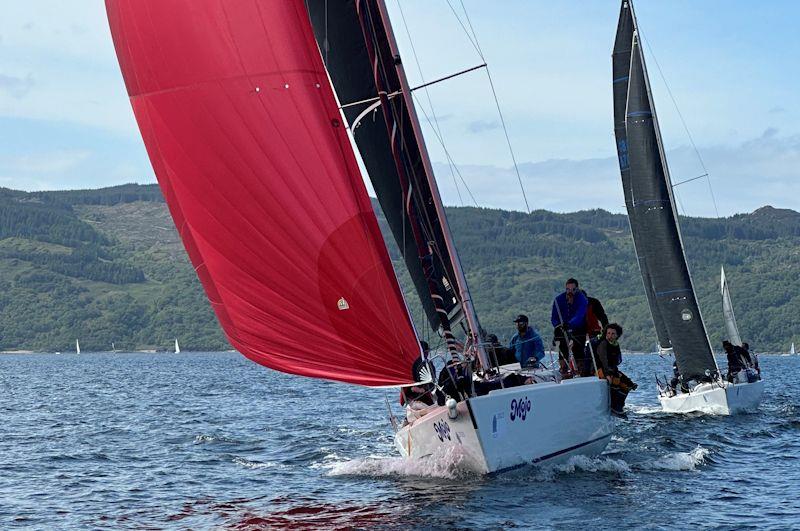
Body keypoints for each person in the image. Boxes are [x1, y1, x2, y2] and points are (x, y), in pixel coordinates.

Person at [594, 323, 637, 416]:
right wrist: (607, 374)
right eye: (608, 333)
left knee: (628, 385)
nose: (610, 336)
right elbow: (603, 360)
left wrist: (615, 373)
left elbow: (615, 362)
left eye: (613, 334)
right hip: (600, 369)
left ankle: (619, 405)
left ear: (617, 335)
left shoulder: (616, 345)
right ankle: (614, 406)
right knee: (616, 381)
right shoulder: (603, 344)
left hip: (612, 369)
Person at [551, 278, 589, 375]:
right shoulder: (558, 300)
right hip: (562, 328)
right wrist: (558, 326)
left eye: (573, 289)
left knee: (578, 348)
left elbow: (580, 315)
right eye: (568, 289)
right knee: (563, 348)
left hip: (578, 328)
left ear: (577, 289)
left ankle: (580, 370)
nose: (570, 292)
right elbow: (554, 317)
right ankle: (564, 370)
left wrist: (570, 324)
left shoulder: (582, 299)